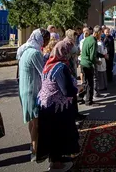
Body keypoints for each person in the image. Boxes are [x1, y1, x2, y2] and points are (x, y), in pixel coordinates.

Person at [37, 41, 79, 172]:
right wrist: (78, 89)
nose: (71, 57)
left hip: (46, 105)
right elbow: (66, 90)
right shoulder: (60, 67)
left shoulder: (50, 64)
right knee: (58, 135)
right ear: (64, 53)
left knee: (52, 135)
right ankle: (57, 164)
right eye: (70, 54)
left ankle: (56, 160)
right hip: (55, 108)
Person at [16, 28, 50, 161]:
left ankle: (33, 146)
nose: (46, 43)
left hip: (25, 89)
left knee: (32, 121)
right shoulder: (35, 53)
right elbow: (44, 73)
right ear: (40, 39)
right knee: (36, 123)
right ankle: (36, 152)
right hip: (32, 91)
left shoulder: (25, 49)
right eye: (45, 40)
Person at [80, 25, 103, 106]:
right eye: (101, 33)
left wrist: (102, 55)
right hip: (88, 65)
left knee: (86, 83)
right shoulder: (93, 41)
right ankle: (89, 102)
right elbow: (92, 56)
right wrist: (98, 62)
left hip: (83, 63)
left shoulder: (88, 38)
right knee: (90, 84)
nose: (101, 35)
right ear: (98, 33)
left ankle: (80, 97)